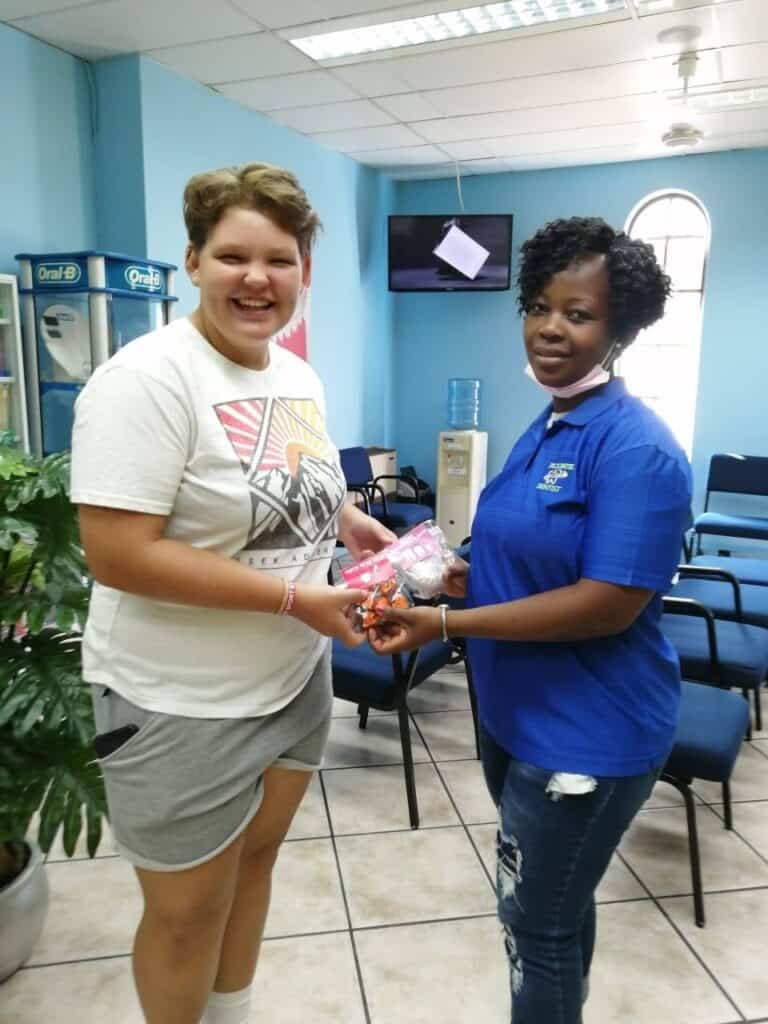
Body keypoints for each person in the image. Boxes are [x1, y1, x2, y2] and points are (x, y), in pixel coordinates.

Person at [70, 162, 394, 1024]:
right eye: (234, 256)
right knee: (184, 917)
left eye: (280, 259)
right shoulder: (145, 381)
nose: (258, 278)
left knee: (255, 866)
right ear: (194, 262)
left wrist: (347, 525)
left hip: (290, 685)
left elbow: (288, 493)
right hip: (178, 700)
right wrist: (296, 602)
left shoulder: (296, 376)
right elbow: (119, 554)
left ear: (304, 273)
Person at [370, 217, 692, 1024]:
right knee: (554, 906)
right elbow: (538, 559)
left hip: (588, 732)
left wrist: (445, 628)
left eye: (578, 314)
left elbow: (606, 602)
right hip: (514, 717)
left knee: (534, 925)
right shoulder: (547, 423)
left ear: (619, 329)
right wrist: (463, 577)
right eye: (540, 306)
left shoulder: (635, 449)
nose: (552, 328)